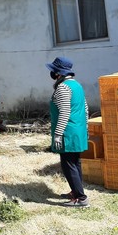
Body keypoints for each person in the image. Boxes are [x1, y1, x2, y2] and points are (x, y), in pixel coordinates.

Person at [46, 56, 89, 207]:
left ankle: (81, 198)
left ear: (58, 73)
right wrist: (85, 129)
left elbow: (64, 112)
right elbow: (86, 109)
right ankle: (76, 190)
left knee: (68, 164)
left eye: (53, 71)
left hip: (68, 131)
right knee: (75, 163)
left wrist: (58, 134)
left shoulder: (63, 88)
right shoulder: (77, 85)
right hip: (77, 130)